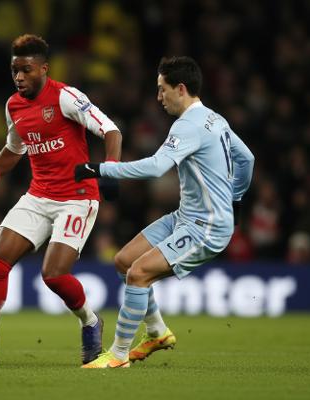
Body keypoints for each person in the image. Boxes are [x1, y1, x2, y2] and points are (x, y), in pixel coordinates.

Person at [75, 56, 255, 368]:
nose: (159, 97)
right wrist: (235, 200)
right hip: (185, 217)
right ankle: (157, 332)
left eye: (162, 89)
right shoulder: (215, 119)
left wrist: (100, 169)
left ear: (180, 89)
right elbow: (247, 159)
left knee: (138, 274)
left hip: (206, 228)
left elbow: (157, 167)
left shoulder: (187, 126)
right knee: (124, 261)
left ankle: (118, 356)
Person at [0, 34, 123, 365]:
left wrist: (110, 170)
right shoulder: (14, 106)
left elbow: (111, 130)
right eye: (14, 70)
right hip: (38, 196)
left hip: (77, 198)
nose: (19, 77)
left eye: (26, 70)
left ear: (44, 69)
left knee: (53, 274)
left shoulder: (66, 97)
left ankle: (91, 321)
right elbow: (13, 149)